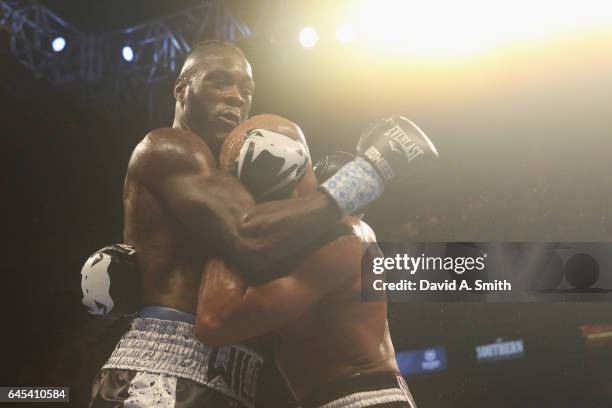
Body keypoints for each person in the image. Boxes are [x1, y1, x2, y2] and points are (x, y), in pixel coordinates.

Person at [86, 37, 438, 408]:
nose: (236, 96)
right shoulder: (172, 147)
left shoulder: (232, 182)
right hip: (165, 369)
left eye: (246, 88)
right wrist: (369, 174)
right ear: (181, 89)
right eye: (219, 82)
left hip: (237, 380)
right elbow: (246, 233)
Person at [194, 130, 417, 408]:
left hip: (363, 398)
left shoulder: (345, 239)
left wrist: (227, 228)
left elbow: (215, 324)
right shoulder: (304, 245)